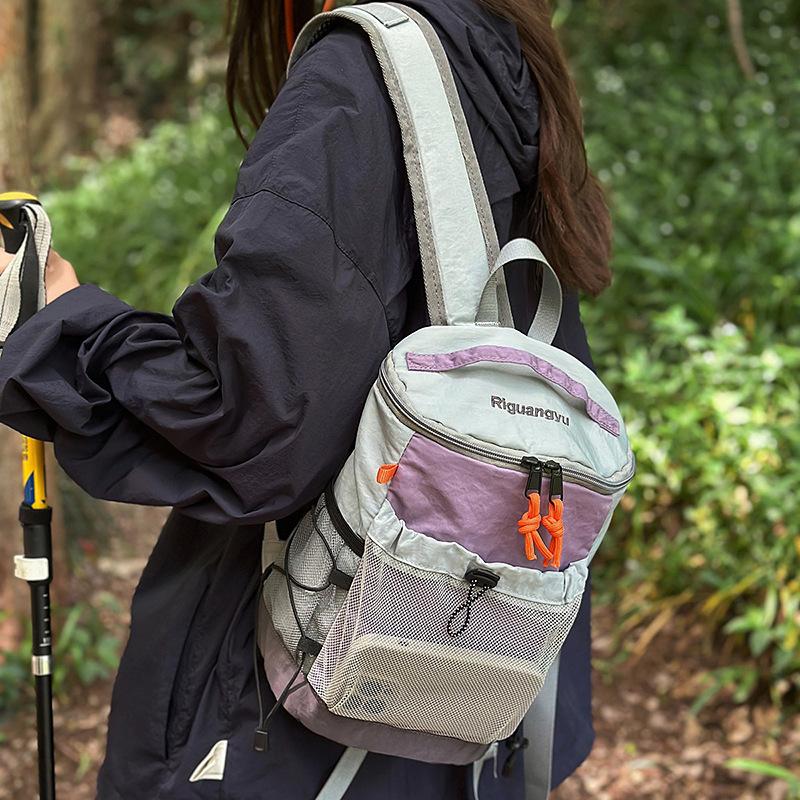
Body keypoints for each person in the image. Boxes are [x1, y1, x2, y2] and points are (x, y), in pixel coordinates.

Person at [0, 1, 613, 797]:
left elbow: (249, 423)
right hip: (479, 693)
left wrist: (56, 324)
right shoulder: (505, 56)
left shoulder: (359, 75)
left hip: (299, 710)